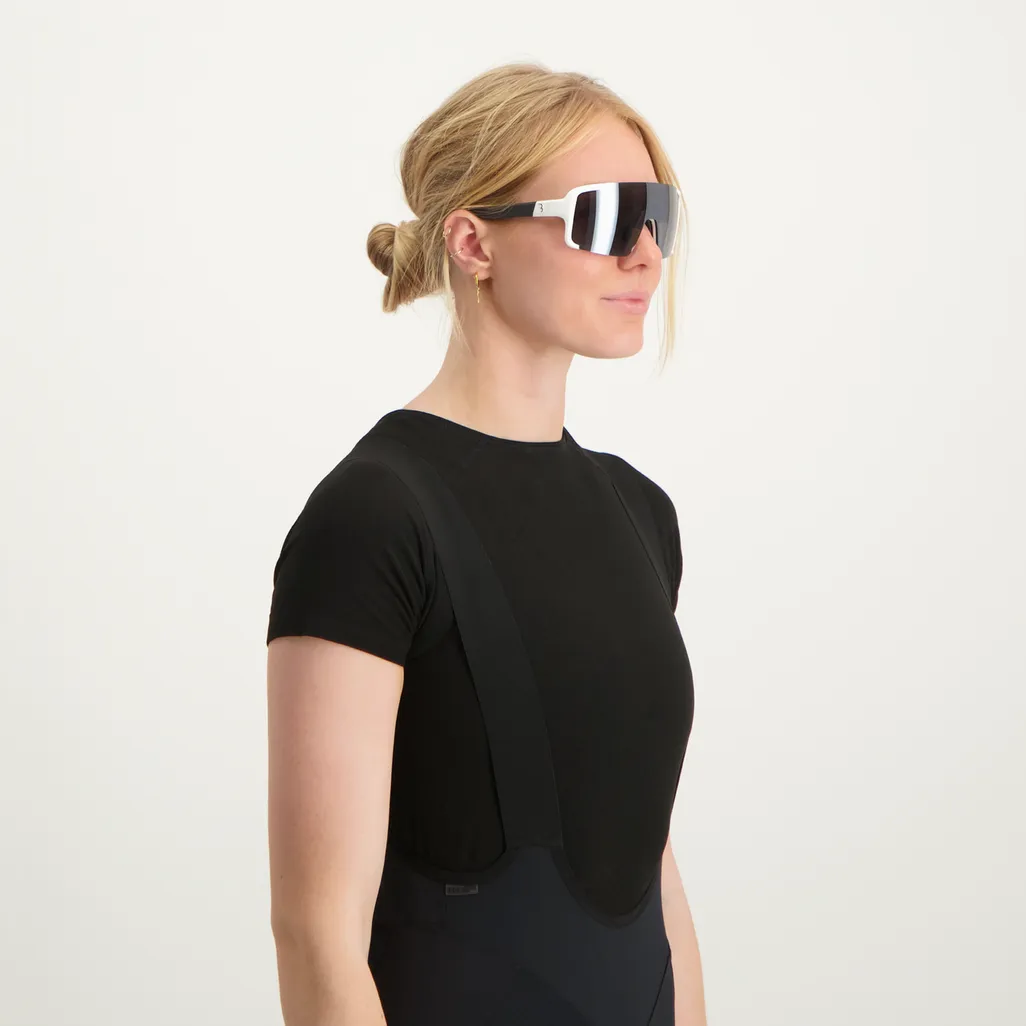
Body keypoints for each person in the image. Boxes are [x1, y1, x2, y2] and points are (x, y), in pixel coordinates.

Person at [266, 61, 705, 1026]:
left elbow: (652, 868)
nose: (643, 254)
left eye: (657, 217)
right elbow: (315, 936)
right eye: (604, 217)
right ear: (474, 242)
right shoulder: (372, 518)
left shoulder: (640, 513)